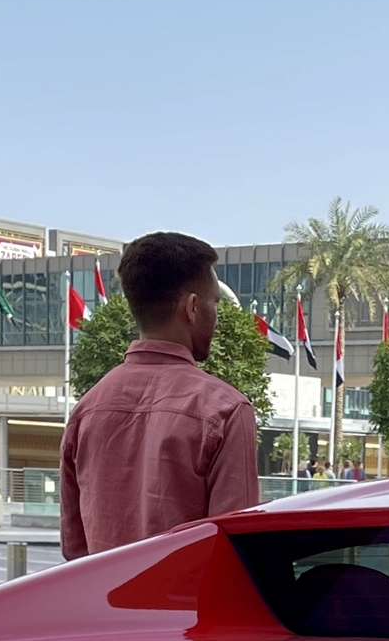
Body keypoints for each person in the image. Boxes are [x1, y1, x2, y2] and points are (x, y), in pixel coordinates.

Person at [59, 232, 259, 558]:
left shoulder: (86, 411)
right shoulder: (226, 411)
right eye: (214, 303)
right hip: (187, 609)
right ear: (192, 307)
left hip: (105, 606)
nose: (217, 316)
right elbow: (240, 552)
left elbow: (74, 552)